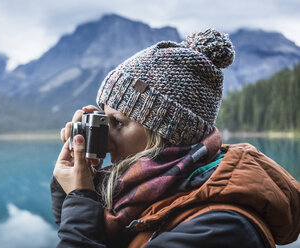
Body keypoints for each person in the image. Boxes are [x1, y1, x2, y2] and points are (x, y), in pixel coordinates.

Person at [51, 28, 300, 248]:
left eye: (117, 122)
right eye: (103, 121)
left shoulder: (219, 229)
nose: (104, 140)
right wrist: (77, 188)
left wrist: (81, 199)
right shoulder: (155, 192)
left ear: (167, 133)